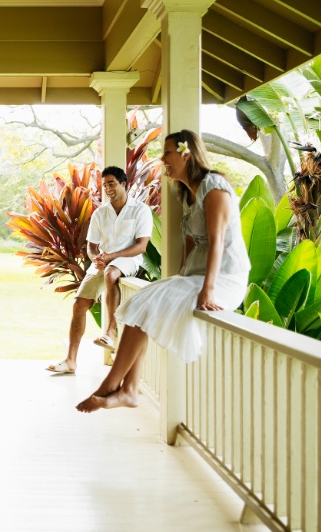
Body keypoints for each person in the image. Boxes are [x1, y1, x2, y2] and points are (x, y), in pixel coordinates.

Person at [76, 130, 251, 413]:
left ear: (186, 153)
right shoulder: (187, 194)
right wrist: (179, 278)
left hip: (223, 279)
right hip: (195, 277)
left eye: (168, 152)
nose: (163, 159)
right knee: (140, 303)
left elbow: (218, 240)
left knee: (147, 304)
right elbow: (193, 243)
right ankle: (129, 390)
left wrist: (207, 290)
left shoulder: (214, 186)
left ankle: (111, 385)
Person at [46, 166, 152, 374]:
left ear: (123, 184)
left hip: (128, 260)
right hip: (103, 262)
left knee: (112, 272)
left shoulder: (140, 210)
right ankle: (70, 361)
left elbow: (141, 246)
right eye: (105, 185)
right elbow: (92, 247)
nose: (108, 189)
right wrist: (97, 258)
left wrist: (111, 257)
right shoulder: (100, 213)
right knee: (78, 305)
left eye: (111, 183)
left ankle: (110, 332)